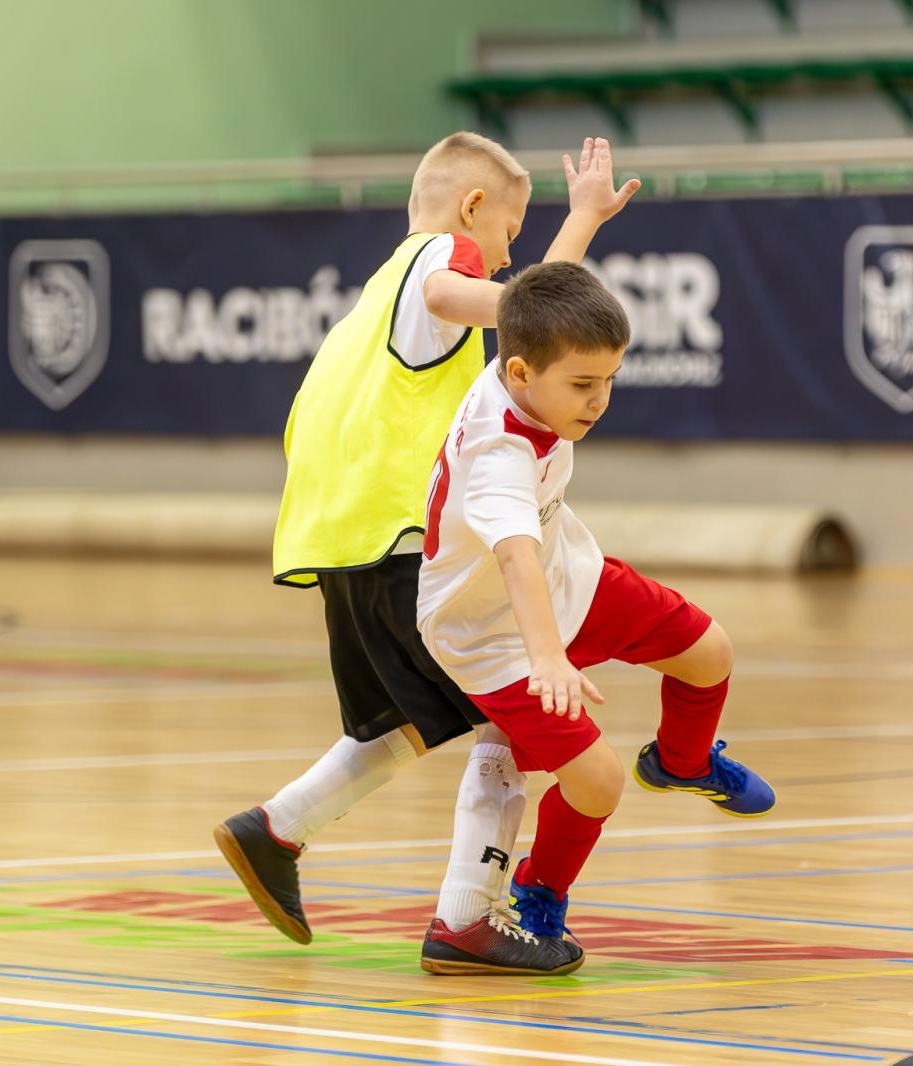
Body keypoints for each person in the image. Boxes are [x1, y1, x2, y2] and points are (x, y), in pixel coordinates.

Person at [212, 132, 640, 976]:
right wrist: (580, 232)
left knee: (412, 718)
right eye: (509, 234)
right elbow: (516, 311)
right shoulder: (440, 259)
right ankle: (467, 920)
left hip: (342, 535)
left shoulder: (378, 288)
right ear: (473, 209)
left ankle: (276, 829)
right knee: (509, 712)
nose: (508, 257)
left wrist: (582, 221)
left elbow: (521, 316)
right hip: (405, 532)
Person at [414, 261, 775, 974]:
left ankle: (681, 763)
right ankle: (540, 894)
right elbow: (515, 558)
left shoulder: (523, 358)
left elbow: (535, 294)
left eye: (610, 379)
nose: (599, 400)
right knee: (599, 782)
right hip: (492, 634)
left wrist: (583, 218)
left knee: (709, 653)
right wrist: (548, 657)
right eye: (583, 384)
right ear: (522, 374)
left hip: (566, 573)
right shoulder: (499, 454)